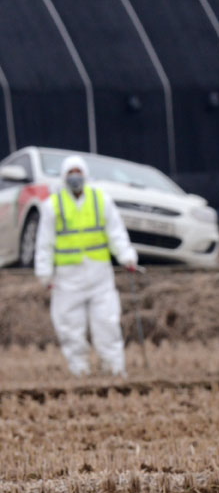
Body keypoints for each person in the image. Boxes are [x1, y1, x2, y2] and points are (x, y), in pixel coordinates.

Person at [35, 155, 139, 377]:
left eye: (78, 172)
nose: (75, 177)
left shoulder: (101, 200)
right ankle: (79, 370)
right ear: (64, 176)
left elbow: (116, 233)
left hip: (99, 274)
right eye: (71, 173)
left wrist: (126, 256)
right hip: (67, 277)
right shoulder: (52, 205)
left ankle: (113, 369)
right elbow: (44, 243)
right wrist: (44, 273)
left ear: (85, 174)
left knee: (107, 323)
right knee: (69, 327)